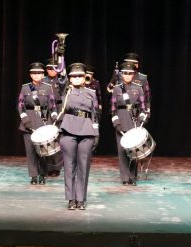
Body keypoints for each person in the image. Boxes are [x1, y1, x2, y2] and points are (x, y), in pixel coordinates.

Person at [59, 62, 100, 209]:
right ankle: (71, 199)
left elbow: (95, 115)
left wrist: (96, 133)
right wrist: (60, 57)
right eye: (74, 76)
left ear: (84, 77)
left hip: (87, 130)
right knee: (69, 165)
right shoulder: (66, 90)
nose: (76, 78)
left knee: (84, 166)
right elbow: (61, 78)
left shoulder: (91, 93)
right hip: (69, 129)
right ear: (70, 78)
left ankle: (81, 199)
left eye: (80, 76)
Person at [17, 62, 59, 185]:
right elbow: (20, 106)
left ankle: (42, 174)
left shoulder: (48, 87)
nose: (36, 75)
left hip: (43, 122)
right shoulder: (25, 88)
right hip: (28, 122)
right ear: (31, 75)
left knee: (43, 152)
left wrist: (54, 117)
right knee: (30, 151)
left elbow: (52, 105)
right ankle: (34, 176)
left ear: (42, 75)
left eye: (39, 73)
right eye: (34, 73)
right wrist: (26, 121)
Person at [110, 62, 148, 185]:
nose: (127, 75)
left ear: (133, 75)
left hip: (134, 121)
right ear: (121, 74)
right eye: (125, 73)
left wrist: (142, 120)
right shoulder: (117, 89)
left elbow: (143, 107)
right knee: (122, 151)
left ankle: (132, 177)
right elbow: (113, 109)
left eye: (130, 73)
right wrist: (116, 123)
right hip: (121, 121)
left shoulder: (138, 88)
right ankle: (125, 178)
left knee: (134, 151)